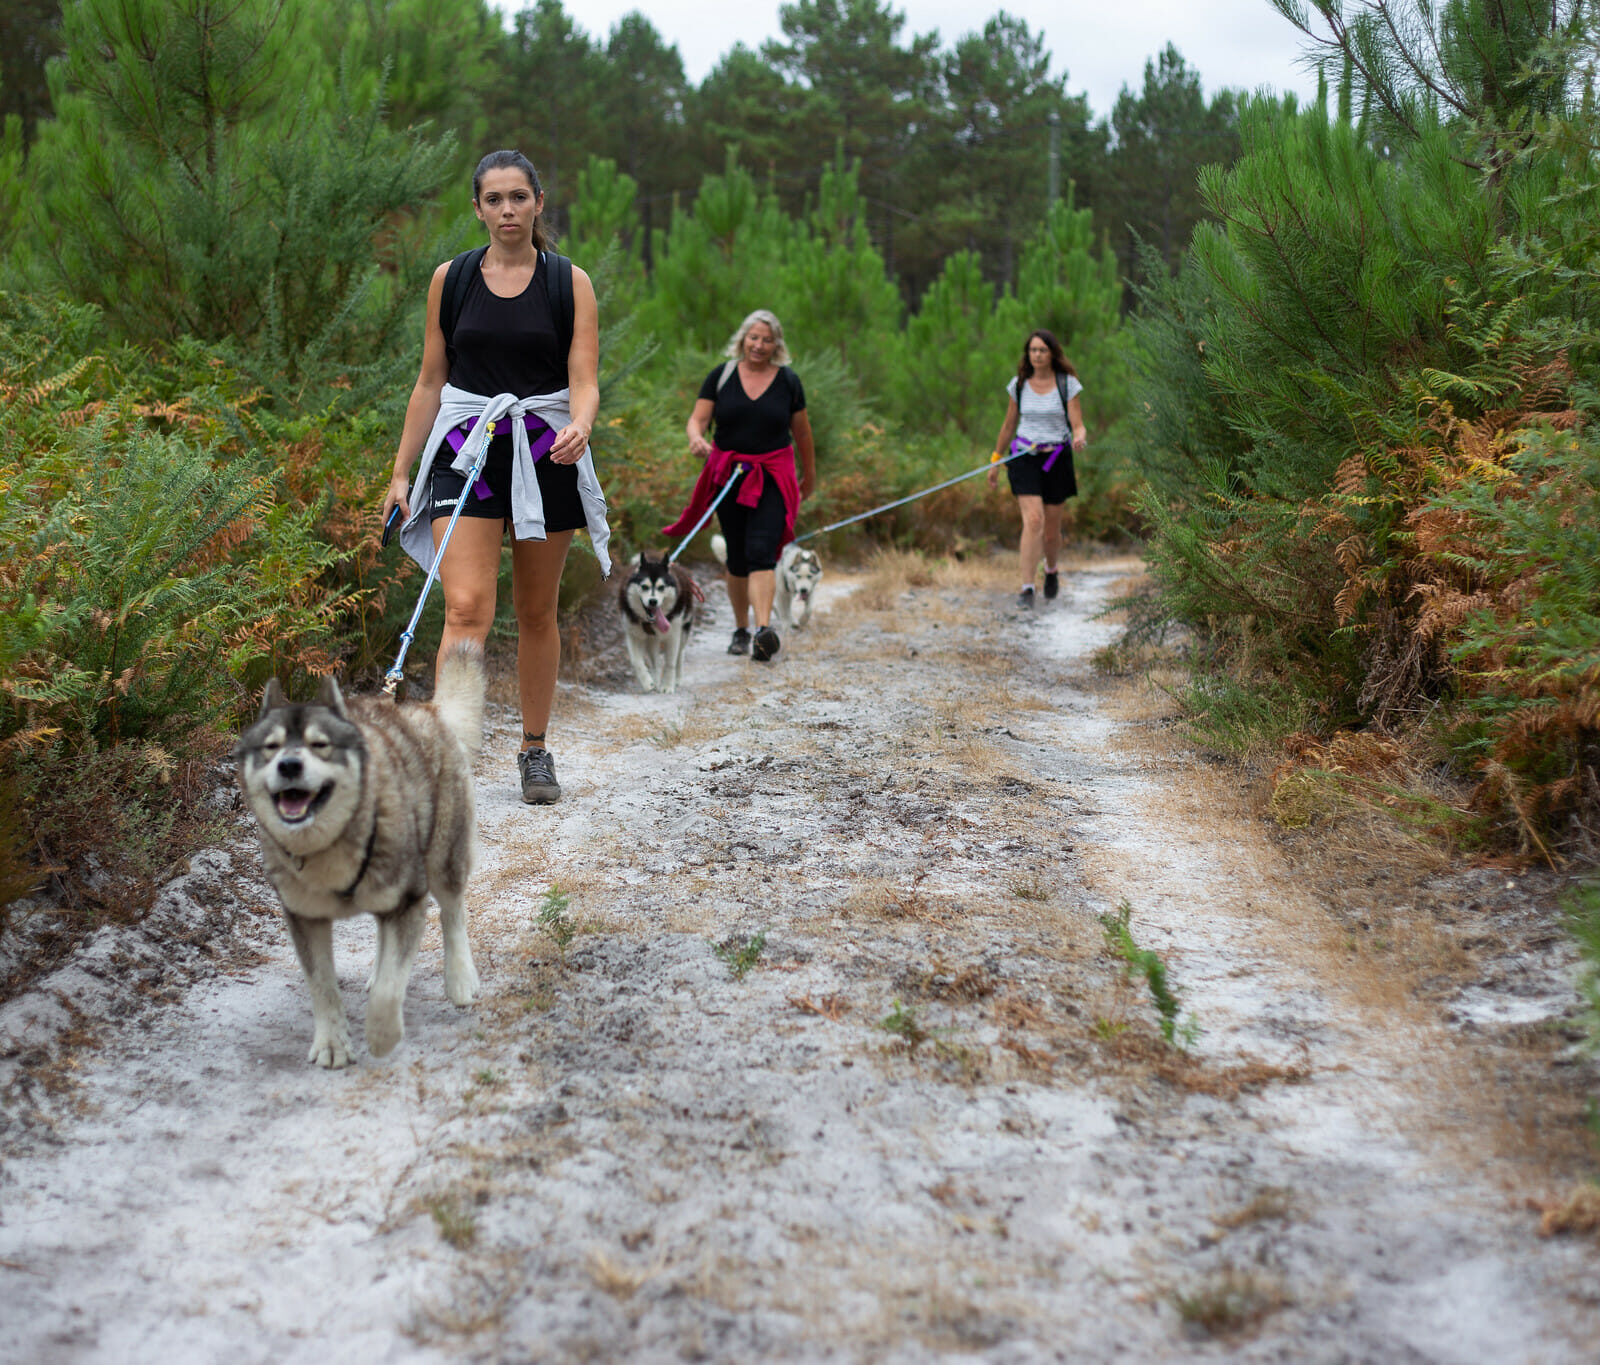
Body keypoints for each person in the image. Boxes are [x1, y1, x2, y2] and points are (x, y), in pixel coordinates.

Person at [381, 149, 611, 805]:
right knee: (464, 606)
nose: (507, 210)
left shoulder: (570, 282)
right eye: (494, 199)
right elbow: (430, 381)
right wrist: (401, 473)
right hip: (467, 451)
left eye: (519, 197)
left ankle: (534, 750)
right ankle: (448, 754)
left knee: (536, 611)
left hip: (548, 450)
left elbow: (585, 381)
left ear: (538, 201)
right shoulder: (450, 280)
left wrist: (582, 425)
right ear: (477, 207)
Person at [667, 310, 816, 662]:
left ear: (777, 344)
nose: (759, 345)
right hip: (729, 476)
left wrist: (809, 473)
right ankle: (740, 629)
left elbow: (803, 433)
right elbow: (697, 420)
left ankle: (764, 631)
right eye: (754, 338)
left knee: (762, 551)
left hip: (772, 476)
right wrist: (695, 439)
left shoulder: (788, 382)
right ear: (743, 339)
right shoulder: (721, 376)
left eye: (767, 340)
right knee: (736, 555)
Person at [988, 328, 1087, 609]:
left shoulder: (1067, 384)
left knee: (1051, 532)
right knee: (1033, 521)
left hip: (1056, 458)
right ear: (1027, 354)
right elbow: (1008, 426)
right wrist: (995, 461)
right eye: (1033, 350)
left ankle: (1051, 569)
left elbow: (1077, 423)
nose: (1037, 355)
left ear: (1052, 353)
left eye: (1042, 350)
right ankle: (1027, 588)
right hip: (1024, 457)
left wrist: (1079, 436)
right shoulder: (1018, 385)